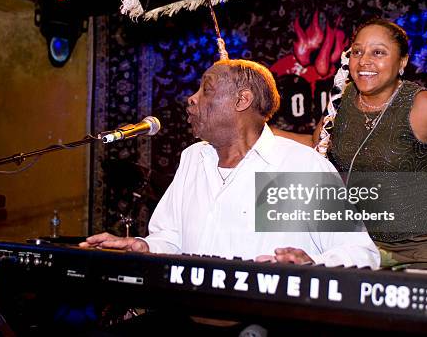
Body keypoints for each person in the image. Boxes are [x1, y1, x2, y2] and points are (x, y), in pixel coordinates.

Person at [81, 58, 379, 269]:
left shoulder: (299, 168)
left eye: (206, 89)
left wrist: (312, 264)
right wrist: (145, 247)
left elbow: (361, 252)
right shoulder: (193, 158)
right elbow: (170, 239)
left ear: (242, 100)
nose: (191, 99)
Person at [308, 18, 427, 271]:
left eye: (378, 52)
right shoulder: (342, 101)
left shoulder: (423, 106)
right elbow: (316, 145)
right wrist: (263, 131)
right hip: (365, 247)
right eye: (357, 51)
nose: (364, 60)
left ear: (402, 62)